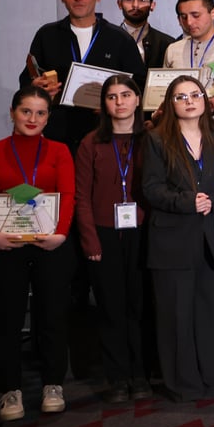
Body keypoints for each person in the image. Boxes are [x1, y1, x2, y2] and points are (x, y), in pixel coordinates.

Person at [0, 87, 76, 420]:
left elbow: (68, 195)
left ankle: (53, 384)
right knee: (6, 318)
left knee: (52, 316)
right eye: (26, 111)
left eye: (41, 113)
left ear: (48, 118)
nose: (33, 119)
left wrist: (60, 234)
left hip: (49, 245)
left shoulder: (59, 151)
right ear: (13, 112)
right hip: (4, 246)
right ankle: (9, 390)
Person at [141, 74, 214, 402]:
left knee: (208, 311)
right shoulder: (156, 139)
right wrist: (186, 202)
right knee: (176, 315)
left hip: (209, 239)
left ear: (205, 99)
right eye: (181, 97)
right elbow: (151, 188)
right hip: (172, 238)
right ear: (170, 104)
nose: (189, 101)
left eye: (195, 94)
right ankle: (181, 383)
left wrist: (212, 200)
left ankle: (208, 374)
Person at [75, 75, 151, 404]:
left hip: (143, 233)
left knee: (140, 306)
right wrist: (90, 240)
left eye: (125, 95)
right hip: (103, 234)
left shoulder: (152, 138)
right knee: (111, 307)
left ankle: (141, 373)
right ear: (104, 104)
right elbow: (81, 196)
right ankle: (118, 377)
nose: (119, 102)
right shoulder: (90, 142)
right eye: (111, 97)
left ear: (138, 99)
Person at [20, 0, 146, 149]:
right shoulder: (47, 35)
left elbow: (139, 84)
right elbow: (27, 80)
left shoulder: (119, 38)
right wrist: (35, 87)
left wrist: (117, 104)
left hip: (106, 135)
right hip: (58, 135)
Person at [117, 0, 172, 68]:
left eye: (142, 0)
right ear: (120, 4)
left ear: (152, 5)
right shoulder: (107, 39)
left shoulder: (167, 44)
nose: (135, 5)